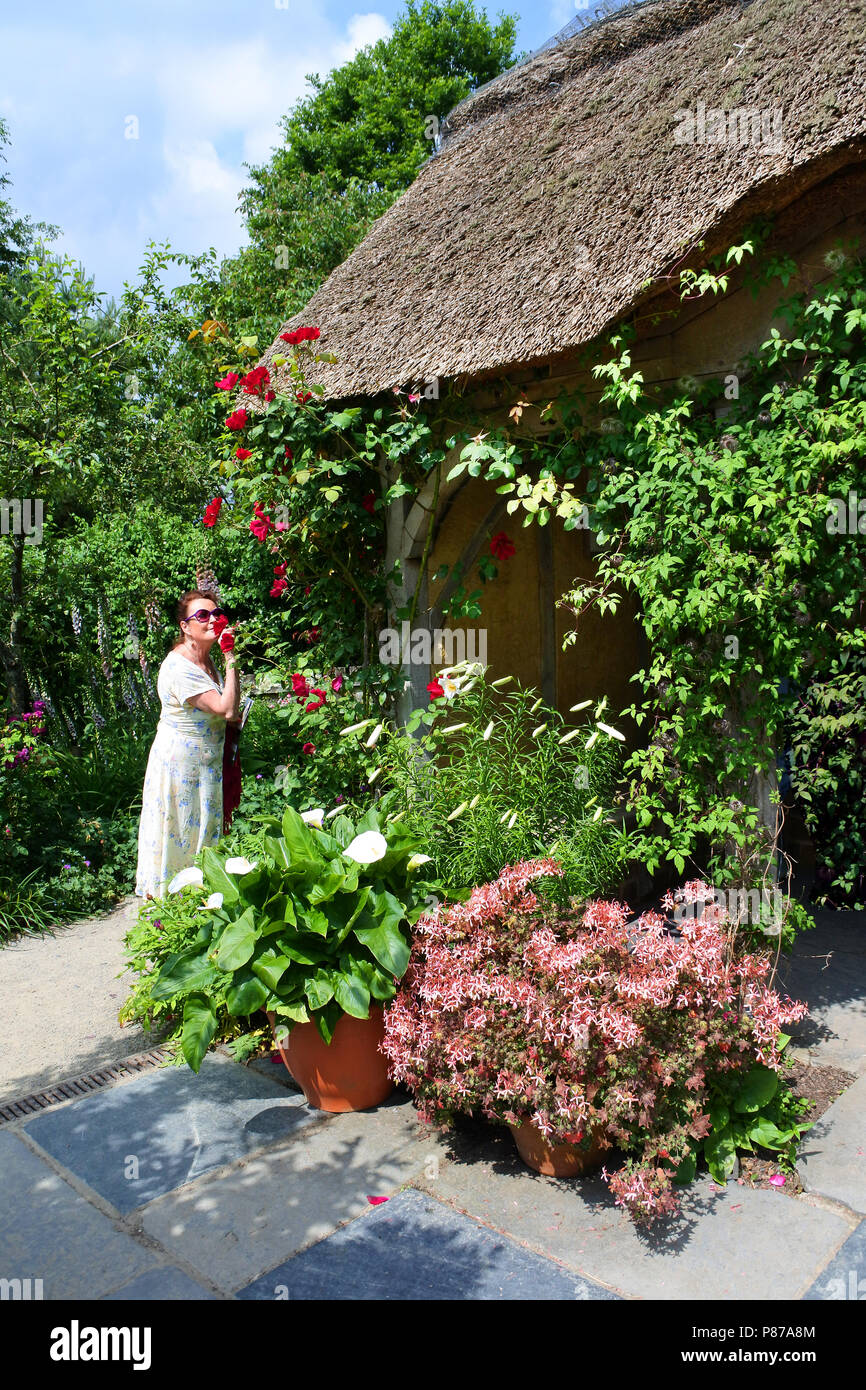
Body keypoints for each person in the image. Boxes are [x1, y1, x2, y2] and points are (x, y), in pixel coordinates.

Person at [135, 590, 240, 899]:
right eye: (202, 616)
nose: (212, 620)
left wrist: (227, 661)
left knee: (202, 831)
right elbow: (227, 709)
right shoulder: (179, 667)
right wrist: (232, 657)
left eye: (216, 614)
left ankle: (198, 902)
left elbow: (231, 705)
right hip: (180, 765)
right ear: (184, 626)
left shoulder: (207, 662)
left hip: (204, 763)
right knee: (179, 833)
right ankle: (169, 909)